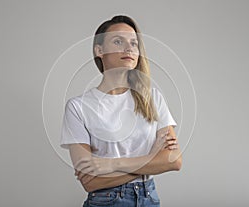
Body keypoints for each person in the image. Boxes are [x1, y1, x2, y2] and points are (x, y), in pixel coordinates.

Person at [60, 15, 182, 207]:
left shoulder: (152, 99)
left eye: (134, 43)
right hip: (106, 201)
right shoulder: (78, 107)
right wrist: (151, 158)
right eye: (118, 41)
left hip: (149, 198)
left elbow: (174, 161)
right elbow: (90, 181)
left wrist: (111, 164)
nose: (129, 48)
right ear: (99, 50)